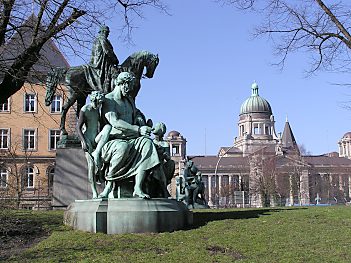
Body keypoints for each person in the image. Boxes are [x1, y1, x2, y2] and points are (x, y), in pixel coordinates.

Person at [97, 72, 161, 199]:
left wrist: (140, 120)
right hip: (113, 140)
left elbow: (135, 113)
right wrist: (138, 129)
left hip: (132, 138)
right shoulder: (109, 100)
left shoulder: (129, 100)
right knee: (122, 147)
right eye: (129, 86)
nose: (130, 89)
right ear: (122, 84)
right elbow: (115, 122)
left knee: (147, 144)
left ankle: (138, 187)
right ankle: (109, 185)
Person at [76, 91, 105, 198]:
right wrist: (83, 141)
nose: (99, 105)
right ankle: (94, 191)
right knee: (91, 165)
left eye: (100, 103)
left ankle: (100, 179)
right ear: (94, 100)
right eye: (98, 102)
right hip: (87, 139)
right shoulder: (85, 109)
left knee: (101, 161)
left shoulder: (97, 110)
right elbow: (78, 127)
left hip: (96, 139)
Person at [84, 25, 119, 93]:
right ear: (102, 31)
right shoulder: (102, 39)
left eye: (108, 32)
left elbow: (93, 54)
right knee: (113, 73)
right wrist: (115, 60)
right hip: (101, 62)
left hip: (95, 61)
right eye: (107, 32)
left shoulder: (96, 40)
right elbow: (107, 51)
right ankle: (107, 90)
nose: (108, 34)